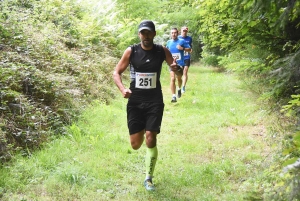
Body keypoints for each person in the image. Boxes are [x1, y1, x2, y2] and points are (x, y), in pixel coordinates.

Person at [113, 20, 178, 191]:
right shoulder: (131, 51)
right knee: (135, 144)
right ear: (139, 35)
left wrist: (176, 68)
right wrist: (122, 89)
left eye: (149, 32)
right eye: (143, 33)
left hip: (154, 100)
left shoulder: (161, 50)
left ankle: (148, 178)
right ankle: (142, 128)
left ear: (154, 34)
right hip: (135, 101)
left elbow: (175, 68)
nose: (146, 36)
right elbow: (116, 72)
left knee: (151, 137)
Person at [166, 28, 191, 102]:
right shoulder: (169, 42)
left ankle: (179, 88)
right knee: (173, 78)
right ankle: (173, 96)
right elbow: (166, 52)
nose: (173, 34)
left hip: (180, 64)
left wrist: (182, 48)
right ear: (170, 34)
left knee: (179, 78)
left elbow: (189, 49)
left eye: (175, 33)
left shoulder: (182, 41)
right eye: (172, 33)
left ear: (177, 33)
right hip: (172, 64)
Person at [178, 26, 193, 93]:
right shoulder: (177, 38)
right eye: (183, 30)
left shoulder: (189, 38)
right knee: (179, 74)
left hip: (187, 56)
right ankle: (179, 85)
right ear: (181, 31)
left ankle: (183, 87)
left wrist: (190, 50)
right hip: (180, 57)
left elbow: (190, 47)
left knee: (185, 71)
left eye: (186, 31)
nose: (184, 32)